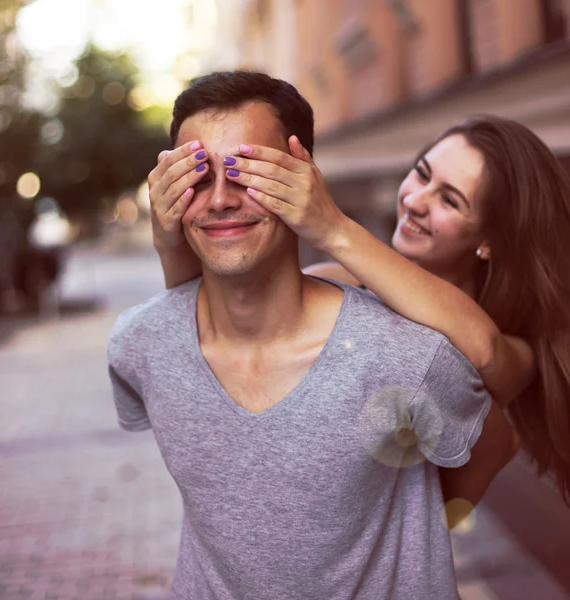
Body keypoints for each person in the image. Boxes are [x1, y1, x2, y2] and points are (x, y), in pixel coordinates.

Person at [108, 71, 516, 600]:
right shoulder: (139, 345)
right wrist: (170, 241)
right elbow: (188, 327)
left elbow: (493, 400)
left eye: (249, 171)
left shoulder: (410, 355)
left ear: (305, 182)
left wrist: (422, 529)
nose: (221, 198)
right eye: (196, 175)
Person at [155, 95, 570, 507]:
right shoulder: (333, 284)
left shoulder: (513, 350)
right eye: (422, 174)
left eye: (449, 200)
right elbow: (201, 330)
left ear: (488, 241)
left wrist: (333, 226)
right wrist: (168, 239)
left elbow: (483, 351)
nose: (415, 201)